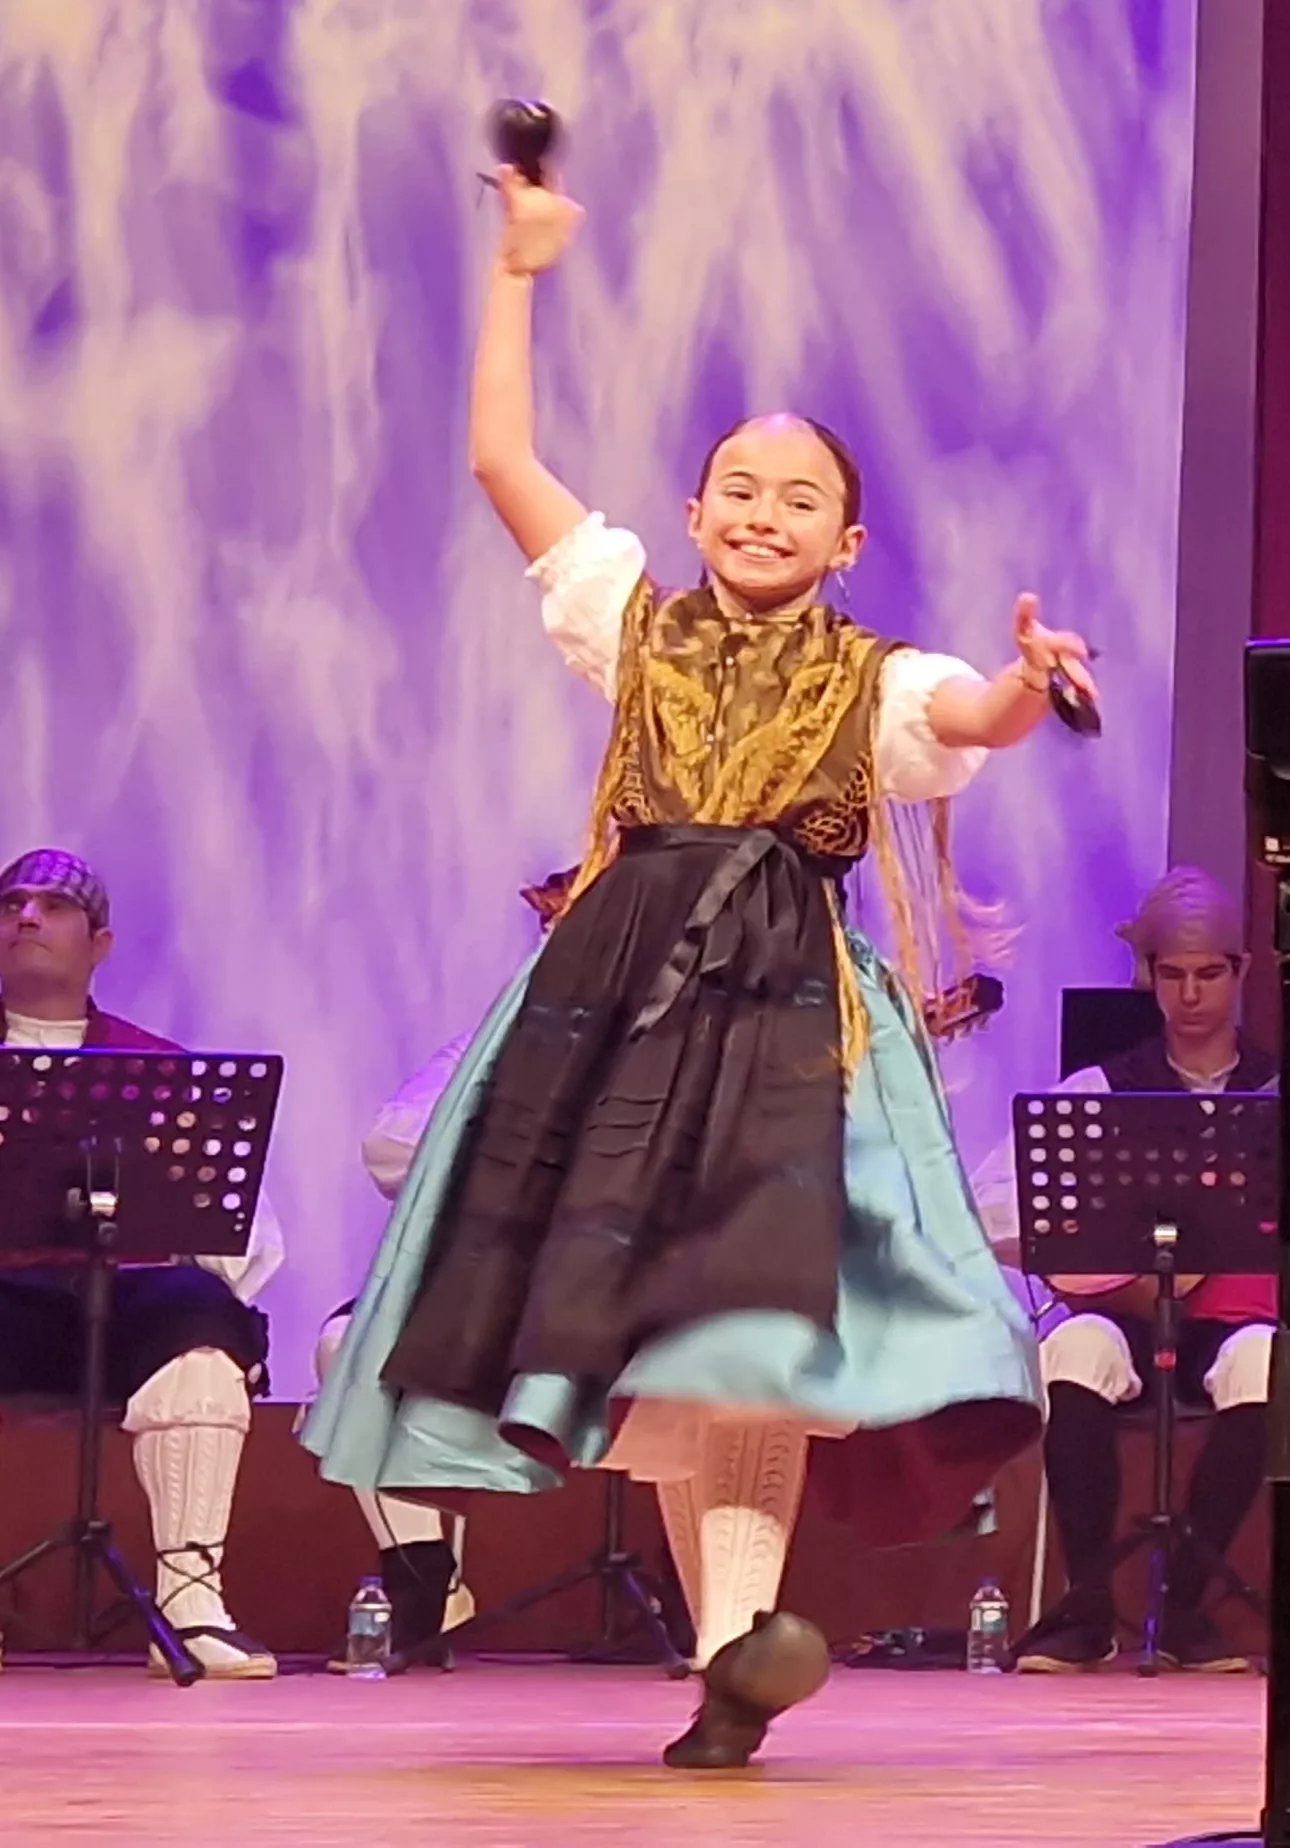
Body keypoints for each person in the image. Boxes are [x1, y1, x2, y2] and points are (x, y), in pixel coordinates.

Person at [304, 161, 1077, 1770]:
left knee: (752, 1335)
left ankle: (734, 1650)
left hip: (784, 1027)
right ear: (693, 508)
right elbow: (499, 459)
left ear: (847, 540)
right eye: (737, 485)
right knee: (657, 1342)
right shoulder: (629, 622)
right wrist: (519, 268)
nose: (761, 513)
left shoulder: (876, 678)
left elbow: (969, 718)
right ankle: (729, 1658)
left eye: (798, 498)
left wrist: (1026, 681)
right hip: (622, 1005)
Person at [970, 867, 1290, 1671]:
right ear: (1149, 976)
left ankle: (1184, 1604)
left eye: (1210, 973)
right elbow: (991, 1209)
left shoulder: (1289, 1095)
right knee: (1072, 1350)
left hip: (1234, 1323)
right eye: (1173, 974)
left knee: (1268, 1364)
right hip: (1125, 1318)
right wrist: (1100, 1263)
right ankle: (1088, 1606)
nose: (1192, 993)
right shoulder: (1101, 1091)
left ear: (1241, 972)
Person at [0, 850, 286, 1679]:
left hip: (118, 1302)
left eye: (53, 905)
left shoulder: (162, 1070)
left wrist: (181, 1173)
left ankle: (190, 1608)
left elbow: (246, 1236)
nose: (26, 918)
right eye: (12, 904)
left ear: (101, 943)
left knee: (201, 1316)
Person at [309, 867, 577, 1668]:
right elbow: (387, 1151)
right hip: (495, 1285)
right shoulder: (490, 1045)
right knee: (347, 1343)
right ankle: (422, 1578)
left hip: (617, 1294)